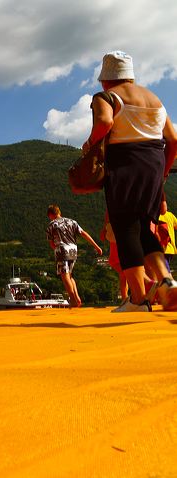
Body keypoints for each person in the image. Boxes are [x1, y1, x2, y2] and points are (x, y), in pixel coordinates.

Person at [86, 51, 177, 311]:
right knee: (145, 225)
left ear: (106, 79)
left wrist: (90, 144)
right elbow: (173, 140)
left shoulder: (107, 97)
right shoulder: (155, 99)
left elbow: (104, 121)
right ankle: (167, 281)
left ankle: (138, 298)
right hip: (155, 162)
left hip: (125, 162)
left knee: (125, 226)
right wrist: (164, 172)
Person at [44, 205, 103, 308]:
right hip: (73, 250)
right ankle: (77, 297)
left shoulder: (51, 225)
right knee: (70, 275)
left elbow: (51, 243)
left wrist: (57, 251)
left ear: (50, 215)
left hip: (62, 249)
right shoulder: (72, 221)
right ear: (59, 212)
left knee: (64, 275)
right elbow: (83, 233)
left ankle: (73, 299)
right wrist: (96, 246)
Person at [158, 200, 177, 270]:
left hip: (158, 250)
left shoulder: (154, 215)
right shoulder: (170, 215)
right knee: (164, 270)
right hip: (170, 249)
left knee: (163, 272)